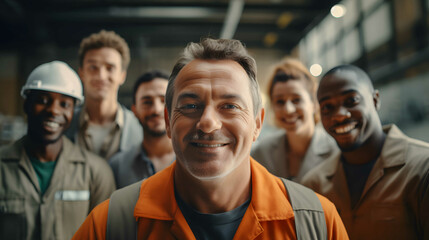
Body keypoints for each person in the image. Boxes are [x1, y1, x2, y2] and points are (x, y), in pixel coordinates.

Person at [72, 38, 348, 240]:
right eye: (190, 105)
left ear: (257, 123)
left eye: (229, 106)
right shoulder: (109, 225)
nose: (207, 123)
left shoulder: (317, 223)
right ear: (168, 121)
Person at [302, 65, 429, 239]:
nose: (339, 115)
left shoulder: (422, 168)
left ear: (375, 100)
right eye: (327, 107)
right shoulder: (313, 184)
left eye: (351, 101)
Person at [0, 61, 116, 240]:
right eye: (42, 101)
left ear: (73, 112)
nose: (53, 110)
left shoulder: (96, 172)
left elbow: (106, 234)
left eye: (64, 104)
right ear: (26, 105)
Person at [251, 58, 338, 183]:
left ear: (314, 103)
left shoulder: (335, 150)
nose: (288, 109)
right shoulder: (262, 152)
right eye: (280, 101)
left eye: (296, 100)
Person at [65, 30, 142, 160]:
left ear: (122, 75)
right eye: (93, 67)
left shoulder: (140, 129)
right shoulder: (64, 125)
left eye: (110, 68)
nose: (101, 76)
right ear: (82, 73)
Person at [109, 70, 175, 189]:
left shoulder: (195, 160)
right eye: (147, 102)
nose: (156, 110)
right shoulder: (117, 166)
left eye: (164, 100)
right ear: (134, 111)